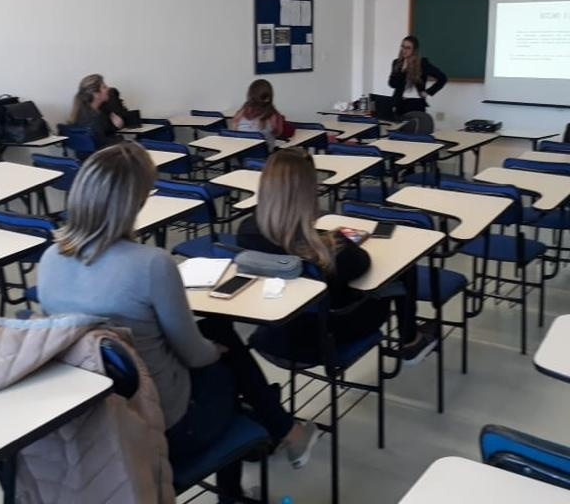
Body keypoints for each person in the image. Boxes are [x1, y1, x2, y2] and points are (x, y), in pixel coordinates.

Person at [38, 143, 318, 499]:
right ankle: (261, 454)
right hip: (167, 423)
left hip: (102, 415)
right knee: (226, 358)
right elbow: (195, 356)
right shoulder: (151, 264)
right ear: (135, 201)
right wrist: (215, 351)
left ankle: (280, 429)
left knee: (217, 334)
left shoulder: (50, 258)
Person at [237, 148, 436, 365]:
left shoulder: (246, 232)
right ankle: (410, 340)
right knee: (404, 266)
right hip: (328, 334)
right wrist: (337, 239)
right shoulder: (329, 249)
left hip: (275, 328)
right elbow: (363, 263)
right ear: (309, 191)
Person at [388, 35, 447, 116]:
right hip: (399, 103)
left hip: (416, 104)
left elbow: (443, 78)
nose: (404, 50)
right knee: (396, 124)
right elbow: (392, 84)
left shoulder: (423, 63)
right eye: (403, 46)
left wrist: (427, 92)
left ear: (414, 50)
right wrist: (402, 71)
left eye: (408, 48)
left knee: (416, 124)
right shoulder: (396, 63)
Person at [67, 74, 123, 148]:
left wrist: (116, 126)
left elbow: (102, 134)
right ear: (95, 94)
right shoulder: (93, 118)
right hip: (101, 153)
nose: (108, 89)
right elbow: (102, 143)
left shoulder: (85, 111)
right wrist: (121, 139)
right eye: (104, 87)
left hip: (90, 154)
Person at [231, 78, 288, 150]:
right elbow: (278, 133)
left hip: (241, 153)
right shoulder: (273, 115)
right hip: (265, 155)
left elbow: (234, 131)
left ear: (250, 94)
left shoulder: (241, 113)